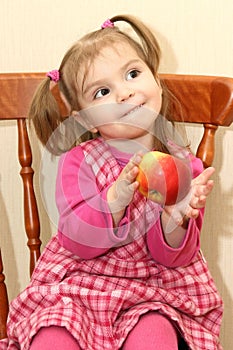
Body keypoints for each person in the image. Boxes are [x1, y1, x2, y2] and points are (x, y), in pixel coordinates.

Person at [3, 15, 223, 350]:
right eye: (103, 91)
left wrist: (175, 216)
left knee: (155, 333)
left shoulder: (183, 166)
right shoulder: (78, 161)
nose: (125, 93)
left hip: (155, 291)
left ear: (156, 80)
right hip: (79, 285)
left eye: (133, 74)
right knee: (52, 335)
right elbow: (78, 241)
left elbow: (174, 258)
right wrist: (114, 201)